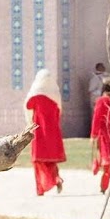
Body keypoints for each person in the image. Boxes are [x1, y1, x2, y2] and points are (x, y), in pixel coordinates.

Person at [26, 67, 65, 195]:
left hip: (39, 132)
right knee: (50, 160)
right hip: (53, 132)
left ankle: (40, 189)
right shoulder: (55, 94)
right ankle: (56, 178)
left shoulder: (36, 95)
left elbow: (28, 106)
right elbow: (59, 112)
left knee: (38, 160)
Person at [87, 62, 108, 130]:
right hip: (97, 98)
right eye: (102, 66)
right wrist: (99, 94)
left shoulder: (105, 77)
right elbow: (91, 90)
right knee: (96, 115)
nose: (104, 68)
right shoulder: (95, 78)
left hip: (104, 98)